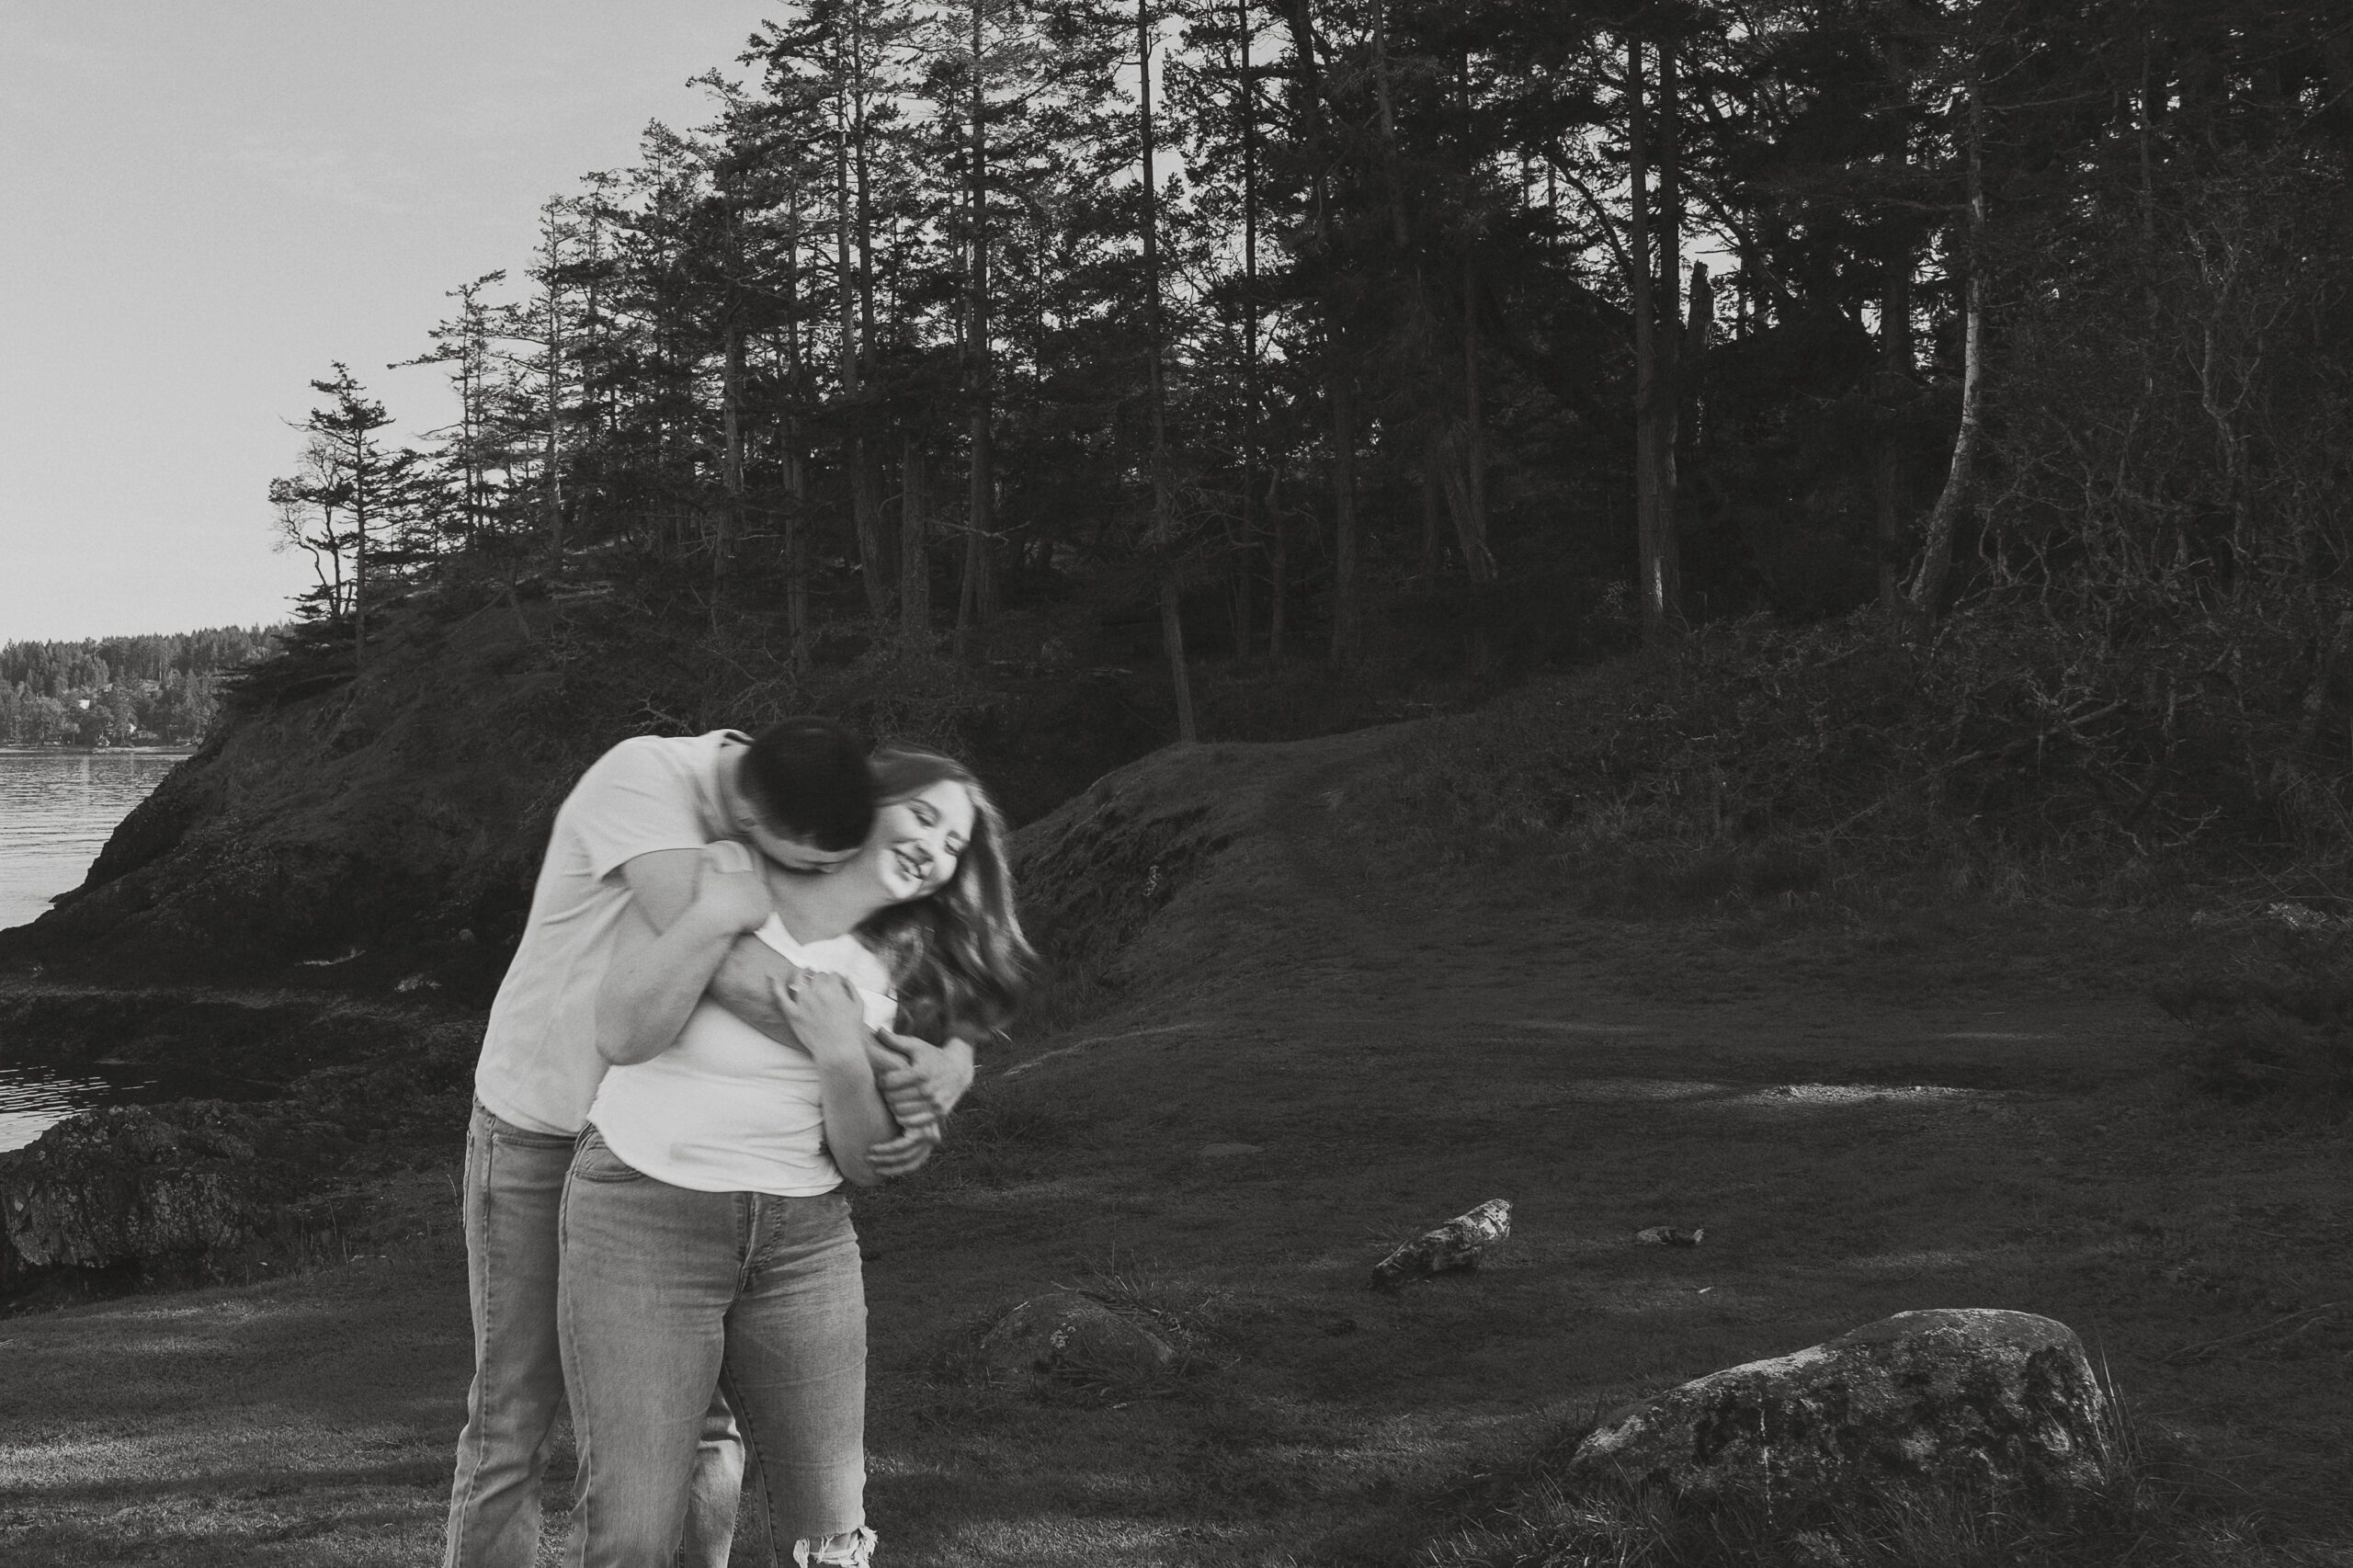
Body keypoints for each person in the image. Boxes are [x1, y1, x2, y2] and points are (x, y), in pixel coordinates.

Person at [443, 720, 979, 1568]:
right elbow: (727, 967)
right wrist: (888, 1059)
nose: (813, 873)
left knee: (703, 1431)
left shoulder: (797, 796)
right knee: (516, 1421)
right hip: (545, 1127)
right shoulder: (647, 782)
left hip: (690, 1163)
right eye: (809, 861)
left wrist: (950, 1053)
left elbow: (907, 961)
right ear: (756, 826)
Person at [560, 746, 1030, 1568]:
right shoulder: (728, 873)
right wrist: (715, 917)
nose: (933, 847)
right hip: (641, 1215)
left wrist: (843, 1054)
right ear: (865, 801)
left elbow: (865, 1161)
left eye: (953, 844)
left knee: (832, 1537)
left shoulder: (900, 961)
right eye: (922, 816)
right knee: (631, 1532)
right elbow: (622, 1034)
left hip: (805, 1243)